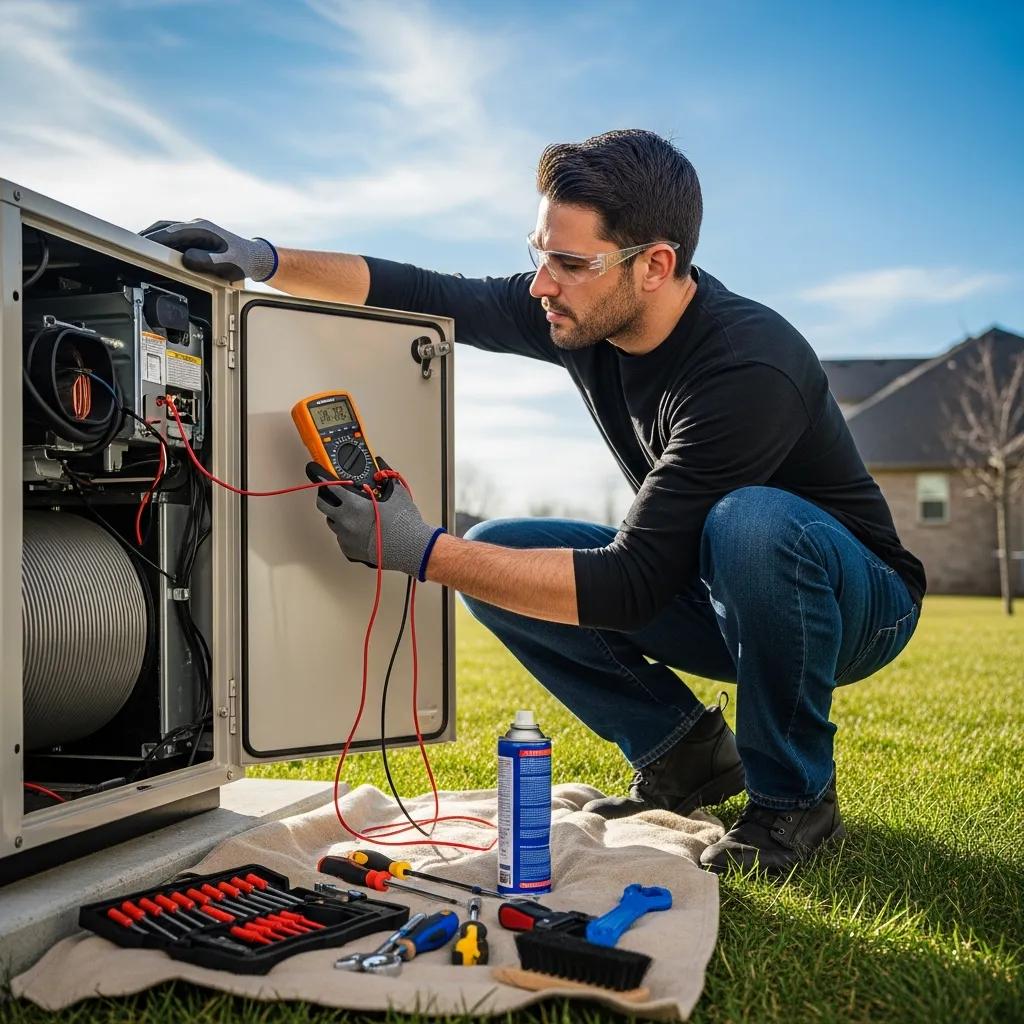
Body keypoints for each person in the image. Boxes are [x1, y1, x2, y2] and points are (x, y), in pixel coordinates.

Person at [142, 129, 925, 875]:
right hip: (717, 590)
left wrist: (423, 550)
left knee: (748, 521)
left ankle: (793, 802)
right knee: (508, 543)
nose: (541, 284)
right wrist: (264, 257)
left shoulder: (748, 367)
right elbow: (420, 290)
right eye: (537, 255)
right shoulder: (576, 312)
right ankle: (686, 756)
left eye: (568, 263)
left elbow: (633, 584)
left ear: (654, 265)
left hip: (850, 603)